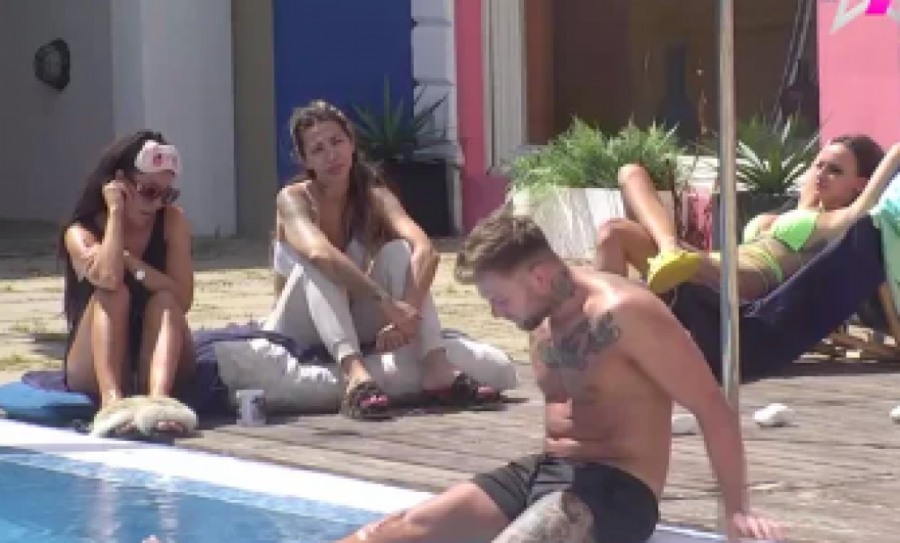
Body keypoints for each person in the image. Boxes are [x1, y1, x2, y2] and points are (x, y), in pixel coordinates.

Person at [337, 210, 782, 542]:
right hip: (545, 472)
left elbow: (711, 406)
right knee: (382, 535)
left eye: (500, 299)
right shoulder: (540, 321)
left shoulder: (625, 314)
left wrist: (737, 510)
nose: (495, 313)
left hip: (617, 491)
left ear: (540, 276)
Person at [265, 100, 501, 420]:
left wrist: (408, 312)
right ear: (306, 160)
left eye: (337, 142)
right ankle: (356, 377)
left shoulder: (374, 196)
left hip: (350, 316)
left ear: (352, 143)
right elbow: (319, 253)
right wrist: (385, 301)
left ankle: (437, 369)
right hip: (300, 324)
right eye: (318, 149)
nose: (331, 155)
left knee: (399, 251)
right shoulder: (293, 199)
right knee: (319, 263)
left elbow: (425, 249)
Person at [595, 134, 886, 299]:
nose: (820, 174)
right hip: (711, 263)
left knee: (614, 233)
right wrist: (819, 178)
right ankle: (669, 248)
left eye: (835, 170)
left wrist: (894, 154)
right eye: (818, 165)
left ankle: (603, 345)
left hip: (740, 280)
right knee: (629, 177)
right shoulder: (805, 210)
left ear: (860, 184)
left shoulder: (838, 223)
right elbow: (811, 188)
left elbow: (864, 205)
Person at [60, 130, 198, 438]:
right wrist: (116, 213)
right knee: (113, 294)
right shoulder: (80, 232)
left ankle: (160, 400)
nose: (157, 203)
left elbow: (183, 298)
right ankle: (111, 401)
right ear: (119, 183)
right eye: (149, 191)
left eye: (167, 195)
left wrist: (132, 263)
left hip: (157, 356)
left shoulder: (172, 221)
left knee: (166, 301)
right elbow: (108, 277)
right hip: (95, 362)